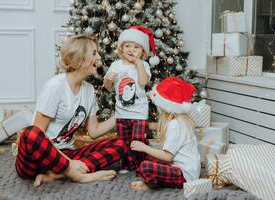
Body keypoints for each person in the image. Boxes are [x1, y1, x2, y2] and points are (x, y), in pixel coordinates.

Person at [14, 34, 127, 187]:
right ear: (80, 57)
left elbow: (93, 131)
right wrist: (69, 163)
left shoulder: (88, 90)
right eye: (94, 53)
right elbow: (38, 132)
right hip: (38, 158)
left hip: (66, 154)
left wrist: (121, 113)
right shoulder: (55, 87)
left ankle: (57, 175)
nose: (99, 57)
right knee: (30, 133)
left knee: (120, 144)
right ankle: (79, 176)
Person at [103, 26, 159, 173]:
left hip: (139, 112)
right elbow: (108, 87)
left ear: (143, 51)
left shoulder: (144, 65)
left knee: (137, 141)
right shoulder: (116, 65)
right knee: (124, 141)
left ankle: (139, 164)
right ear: (121, 48)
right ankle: (127, 164)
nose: (131, 50)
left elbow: (142, 82)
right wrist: (108, 79)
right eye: (127, 46)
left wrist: (139, 64)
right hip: (122, 113)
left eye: (136, 47)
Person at [130, 77, 201, 190]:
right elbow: (162, 127)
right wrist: (147, 126)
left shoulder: (175, 125)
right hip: (189, 170)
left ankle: (152, 184)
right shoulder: (181, 121)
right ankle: (153, 182)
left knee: (146, 166)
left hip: (184, 175)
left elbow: (167, 157)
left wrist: (144, 147)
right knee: (149, 160)